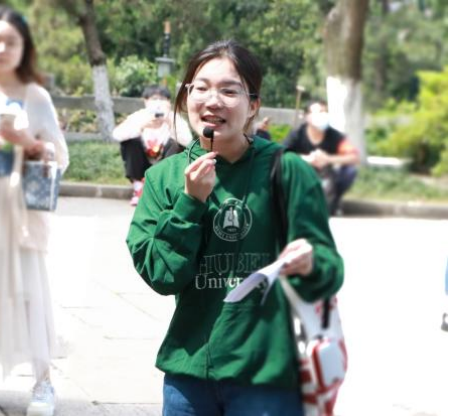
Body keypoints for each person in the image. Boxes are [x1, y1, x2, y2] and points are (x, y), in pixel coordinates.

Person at [126, 40, 344, 416]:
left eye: (229, 91)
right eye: (201, 88)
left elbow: (330, 269)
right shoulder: (163, 178)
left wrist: (311, 263)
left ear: (253, 105)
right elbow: (162, 275)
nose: (213, 101)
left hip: (267, 379)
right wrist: (189, 203)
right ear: (186, 98)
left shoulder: (287, 171)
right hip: (189, 376)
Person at [0, 7, 69, 416]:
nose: (3, 48)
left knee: (30, 293)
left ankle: (43, 382)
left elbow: (59, 157)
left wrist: (27, 141)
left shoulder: (35, 96)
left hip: (21, 209)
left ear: (24, 48)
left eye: (12, 41)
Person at [113, 85, 192, 206]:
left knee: (177, 144)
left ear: (169, 102)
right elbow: (117, 135)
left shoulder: (174, 118)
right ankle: (138, 188)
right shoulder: (139, 116)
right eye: (154, 99)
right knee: (130, 141)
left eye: (162, 99)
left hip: (165, 162)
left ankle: (164, 191)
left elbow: (188, 141)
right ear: (146, 101)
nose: (158, 103)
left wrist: (170, 123)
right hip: (142, 163)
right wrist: (141, 126)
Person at [283, 100, 360, 215]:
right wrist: (305, 159)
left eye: (325, 112)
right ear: (307, 116)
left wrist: (328, 159)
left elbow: (354, 157)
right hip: (301, 173)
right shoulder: (297, 134)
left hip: (326, 175)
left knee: (350, 171)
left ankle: (334, 201)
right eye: (319, 112)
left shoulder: (334, 135)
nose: (323, 115)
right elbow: (281, 153)